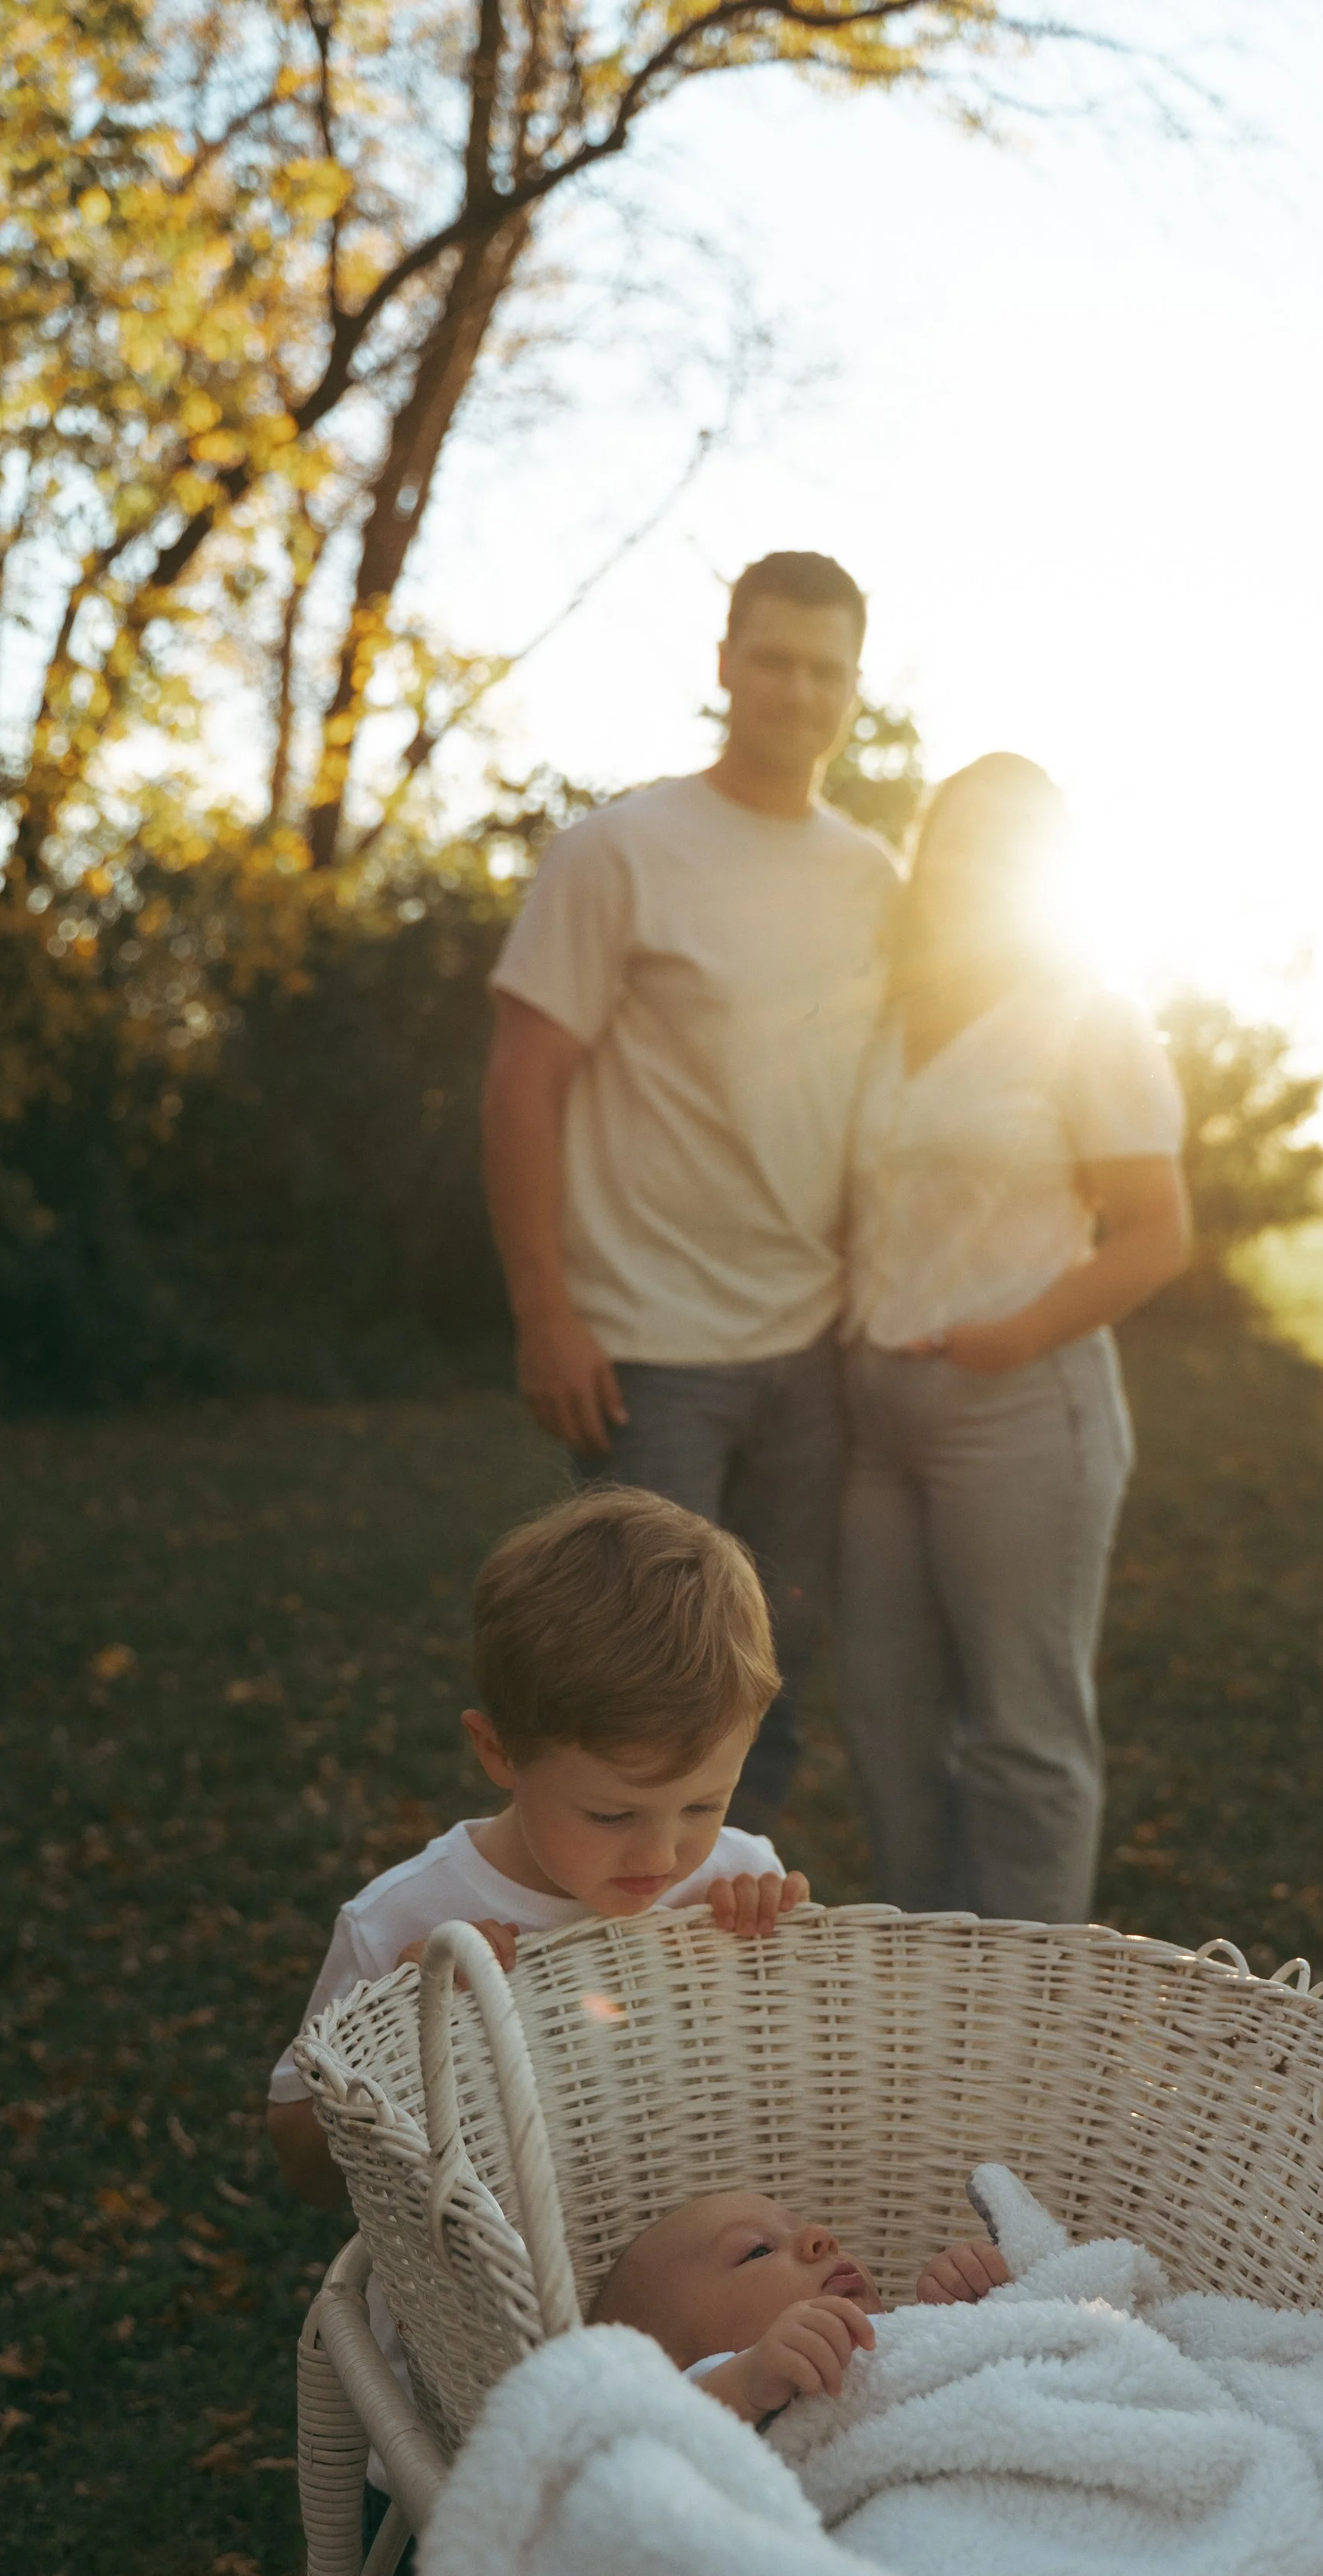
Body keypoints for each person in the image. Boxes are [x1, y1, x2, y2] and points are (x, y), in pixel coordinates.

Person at [481, 551, 897, 1828]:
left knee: (772, 1669)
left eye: (825, 668)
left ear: (854, 687)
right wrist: (546, 1312)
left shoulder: (877, 877)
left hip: (812, 1340)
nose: (796, 688)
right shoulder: (621, 851)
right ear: (723, 663)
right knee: (636, 1679)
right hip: (647, 1348)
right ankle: (596, 1955)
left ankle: (719, 1936)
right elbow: (521, 1082)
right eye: (771, 658)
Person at [837, 754, 1191, 1931]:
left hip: (1023, 1404)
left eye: (1005, 845)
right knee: (886, 1718)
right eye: (955, 838)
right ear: (925, 852)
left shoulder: (1086, 1017)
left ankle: (1031, 2016)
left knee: (1022, 1732)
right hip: (876, 1414)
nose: (971, 865)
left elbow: (1156, 1234)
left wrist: (1015, 1331)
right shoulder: (890, 1009)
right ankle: (931, 1981)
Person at [265, 1488, 810, 2211]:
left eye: (704, 1805)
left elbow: (797, 2109)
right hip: (484, 2298)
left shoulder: (734, 1882)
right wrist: (400, 2039)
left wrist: (776, 1964)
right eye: (612, 1814)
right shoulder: (405, 1922)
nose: (663, 1856)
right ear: (499, 1752)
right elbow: (300, 2162)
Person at [589, 2188, 1010, 2424]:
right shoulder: (700, 2395)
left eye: (801, 2225)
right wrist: (747, 2382)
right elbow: (659, 2445)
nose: (820, 2236)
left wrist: (969, 2301)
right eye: (757, 2251)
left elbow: (1017, 2352)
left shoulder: (908, 2326)